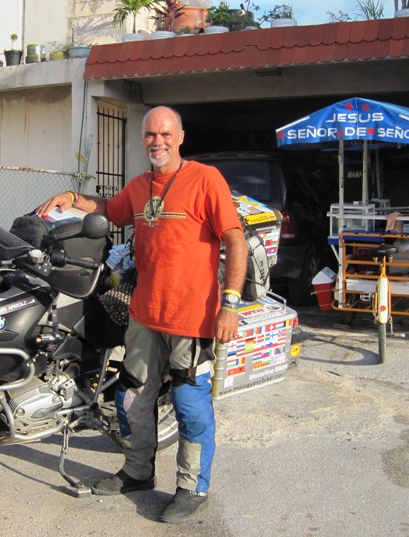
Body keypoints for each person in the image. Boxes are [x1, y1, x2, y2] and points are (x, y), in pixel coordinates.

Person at [36, 106, 247, 524]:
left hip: (192, 317)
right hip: (146, 314)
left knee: (189, 403)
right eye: (150, 134)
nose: (157, 141)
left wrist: (231, 304)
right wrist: (73, 199)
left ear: (180, 137)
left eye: (165, 134)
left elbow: (235, 240)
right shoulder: (138, 187)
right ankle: (137, 472)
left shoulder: (205, 180)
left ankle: (192, 487)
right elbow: (107, 209)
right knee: (131, 396)